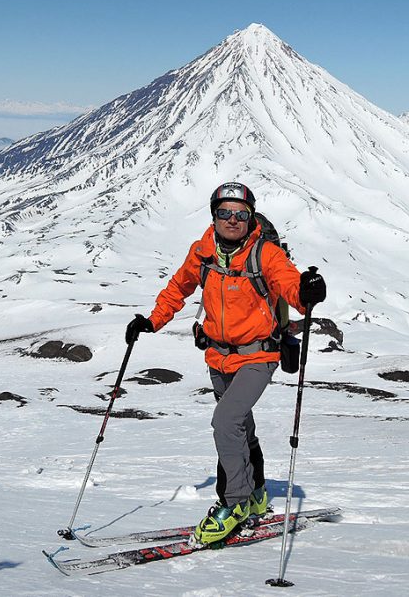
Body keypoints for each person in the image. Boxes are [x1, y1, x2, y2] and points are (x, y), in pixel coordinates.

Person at [125, 181, 326, 544]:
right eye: (224, 213)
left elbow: (289, 285)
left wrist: (306, 292)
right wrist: (153, 320)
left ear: (251, 218)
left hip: (258, 356)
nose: (232, 220)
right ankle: (256, 494)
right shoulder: (202, 252)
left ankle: (233, 503)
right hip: (217, 356)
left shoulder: (266, 254)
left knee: (225, 421)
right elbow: (178, 288)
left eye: (240, 214)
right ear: (214, 215)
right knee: (240, 428)